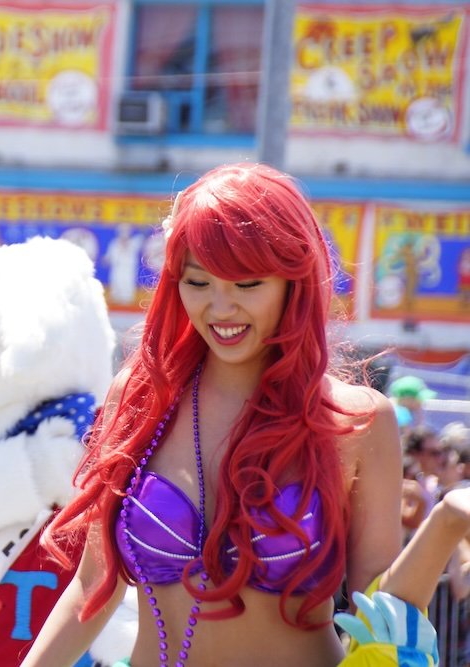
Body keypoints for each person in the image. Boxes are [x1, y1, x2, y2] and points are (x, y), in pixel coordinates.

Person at [22, 163, 402, 667]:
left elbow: (381, 613)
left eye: (247, 285)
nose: (221, 308)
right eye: (198, 282)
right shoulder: (139, 400)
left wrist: (444, 527)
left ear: (295, 283)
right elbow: (94, 585)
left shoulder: (359, 422)